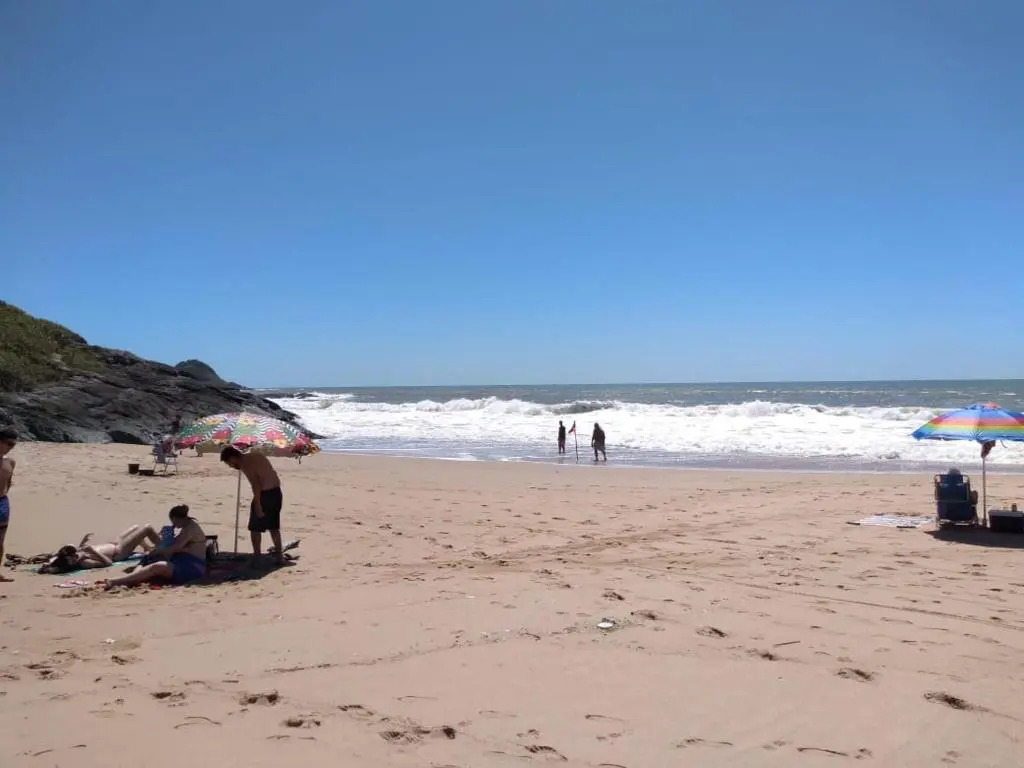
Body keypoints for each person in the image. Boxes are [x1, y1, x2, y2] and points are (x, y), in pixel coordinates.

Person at [99, 505, 207, 588]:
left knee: (158, 565)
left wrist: (158, 551)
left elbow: (175, 548)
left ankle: (118, 581)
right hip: (181, 561)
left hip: (192, 566)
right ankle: (132, 577)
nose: (174, 525)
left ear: (176, 518)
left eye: (173, 521)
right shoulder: (186, 526)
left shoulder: (190, 529)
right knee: (149, 559)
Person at [220, 446, 284, 564]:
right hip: (276, 492)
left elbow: (256, 485)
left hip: (265, 495)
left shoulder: (246, 464)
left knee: (255, 528)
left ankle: (257, 556)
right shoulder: (257, 455)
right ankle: (280, 556)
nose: (230, 466)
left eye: (229, 463)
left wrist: (258, 505)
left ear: (233, 458)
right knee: (273, 526)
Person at [40, 525, 163, 574]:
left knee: (135, 527)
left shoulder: (74, 556)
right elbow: (108, 563)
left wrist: (83, 542)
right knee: (146, 529)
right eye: (73, 557)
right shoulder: (85, 562)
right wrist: (93, 551)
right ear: (71, 562)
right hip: (118, 552)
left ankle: (147, 548)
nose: (76, 555)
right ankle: (165, 548)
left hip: (113, 543)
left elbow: (54, 560)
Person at [0, 428, 17, 582]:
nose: (11, 447)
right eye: (9, 443)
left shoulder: (10, 462)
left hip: (2, 502)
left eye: (14, 445)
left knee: (0, 540)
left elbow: (9, 482)